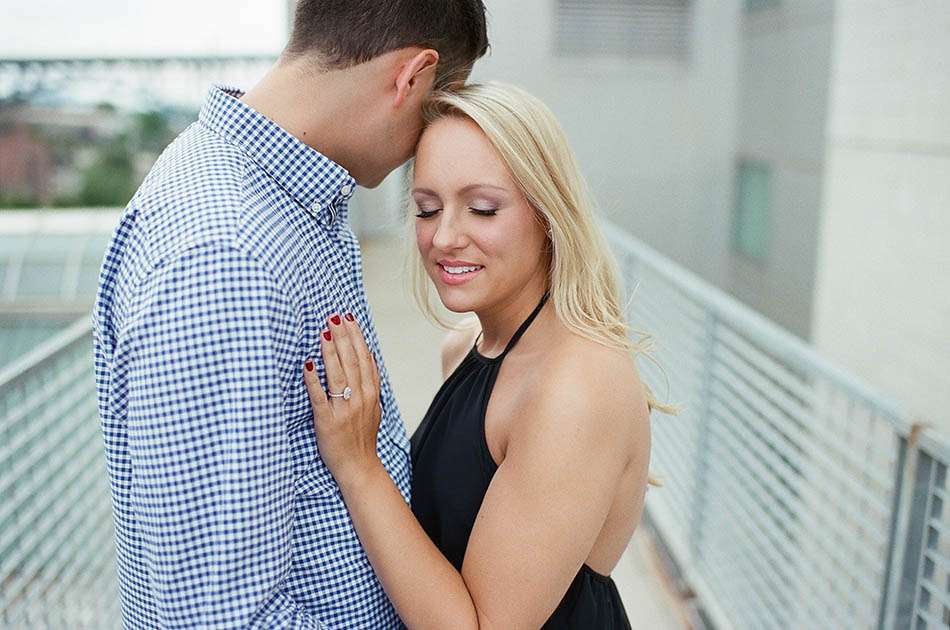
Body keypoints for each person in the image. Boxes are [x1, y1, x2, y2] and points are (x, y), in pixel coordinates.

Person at [92, 2, 488, 627]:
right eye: (439, 107)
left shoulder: (278, 206)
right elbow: (217, 617)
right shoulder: (224, 255)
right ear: (412, 77)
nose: (425, 142)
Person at [302, 82, 665, 629]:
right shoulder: (466, 348)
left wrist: (358, 465)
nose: (445, 237)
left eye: (482, 208)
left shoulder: (577, 387)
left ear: (548, 213)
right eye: (426, 210)